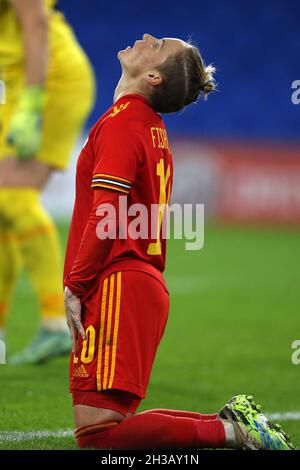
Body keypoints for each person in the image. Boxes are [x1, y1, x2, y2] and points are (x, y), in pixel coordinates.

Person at [63, 33, 294, 450]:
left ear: (152, 76)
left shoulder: (123, 123)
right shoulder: (150, 127)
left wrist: (75, 285)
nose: (147, 38)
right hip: (138, 281)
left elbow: (106, 215)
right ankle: (233, 424)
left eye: (156, 45)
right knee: (110, 426)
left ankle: (229, 432)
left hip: (117, 282)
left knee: (100, 438)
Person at [0, 0, 95, 364]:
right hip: (14, 83)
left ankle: (57, 323)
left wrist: (31, 105)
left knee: (13, 200)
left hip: (48, 81)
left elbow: (36, 23)